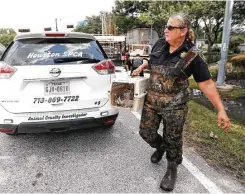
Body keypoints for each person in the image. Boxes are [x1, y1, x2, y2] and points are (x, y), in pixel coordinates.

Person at [132, 13, 230, 192]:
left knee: (174, 139)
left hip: (175, 107)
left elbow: (207, 83)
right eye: (166, 27)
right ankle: (161, 147)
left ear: (183, 31)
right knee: (145, 133)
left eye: (170, 27)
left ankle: (172, 168)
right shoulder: (160, 44)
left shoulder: (192, 56)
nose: (165, 30)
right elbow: (152, 59)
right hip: (152, 102)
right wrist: (143, 65)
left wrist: (221, 110)